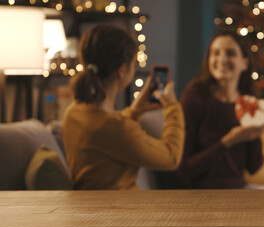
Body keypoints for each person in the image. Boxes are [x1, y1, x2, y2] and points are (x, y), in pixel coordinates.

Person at [62, 24, 185, 190]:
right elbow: (171, 158)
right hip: (121, 211)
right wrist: (172, 107)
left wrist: (134, 112)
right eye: (134, 64)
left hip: (94, 207)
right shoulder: (115, 129)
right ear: (122, 70)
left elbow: (109, 135)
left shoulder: (74, 112)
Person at [176, 31, 264, 189]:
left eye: (230, 53)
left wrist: (255, 134)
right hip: (199, 192)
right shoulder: (193, 98)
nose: (222, 59)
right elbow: (183, 169)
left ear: (244, 63)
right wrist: (228, 141)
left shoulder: (247, 101)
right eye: (216, 53)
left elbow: (254, 167)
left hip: (239, 190)